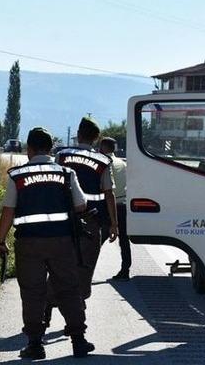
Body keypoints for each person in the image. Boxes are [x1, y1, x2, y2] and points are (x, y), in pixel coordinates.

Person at [0, 127, 96, 360]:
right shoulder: (66, 173)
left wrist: (0, 241)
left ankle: (35, 344)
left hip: (29, 243)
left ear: (28, 149)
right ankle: (79, 341)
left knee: (33, 292)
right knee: (69, 289)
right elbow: (80, 205)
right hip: (62, 242)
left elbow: (8, 212)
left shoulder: (17, 176)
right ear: (50, 149)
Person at [54, 117, 118, 301]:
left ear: (79, 134)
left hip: (64, 219)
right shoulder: (103, 161)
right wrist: (114, 224)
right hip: (92, 222)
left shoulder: (62, 156)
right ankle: (78, 306)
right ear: (96, 138)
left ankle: (50, 305)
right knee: (85, 266)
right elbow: (109, 194)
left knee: (60, 264)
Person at [99, 137, 131, 281]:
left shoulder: (101, 164)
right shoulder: (123, 164)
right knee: (124, 239)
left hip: (107, 206)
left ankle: (85, 268)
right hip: (122, 205)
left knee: (97, 239)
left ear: (103, 147)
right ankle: (125, 270)